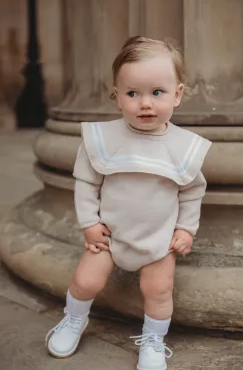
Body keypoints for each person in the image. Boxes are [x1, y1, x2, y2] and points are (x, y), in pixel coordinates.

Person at [45, 36, 212, 370]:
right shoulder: (104, 140)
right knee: (85, 280)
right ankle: (74, 319)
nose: (145, 103)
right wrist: (90, 224)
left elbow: (192, 191)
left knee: (159, 290)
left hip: (158, 239)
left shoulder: (182, 147)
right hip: (110, 236)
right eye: (133, 93)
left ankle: (153, 339)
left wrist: (185, 229)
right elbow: (87, 183)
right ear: (117, 97)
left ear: (177, 95)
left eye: (157, 93)